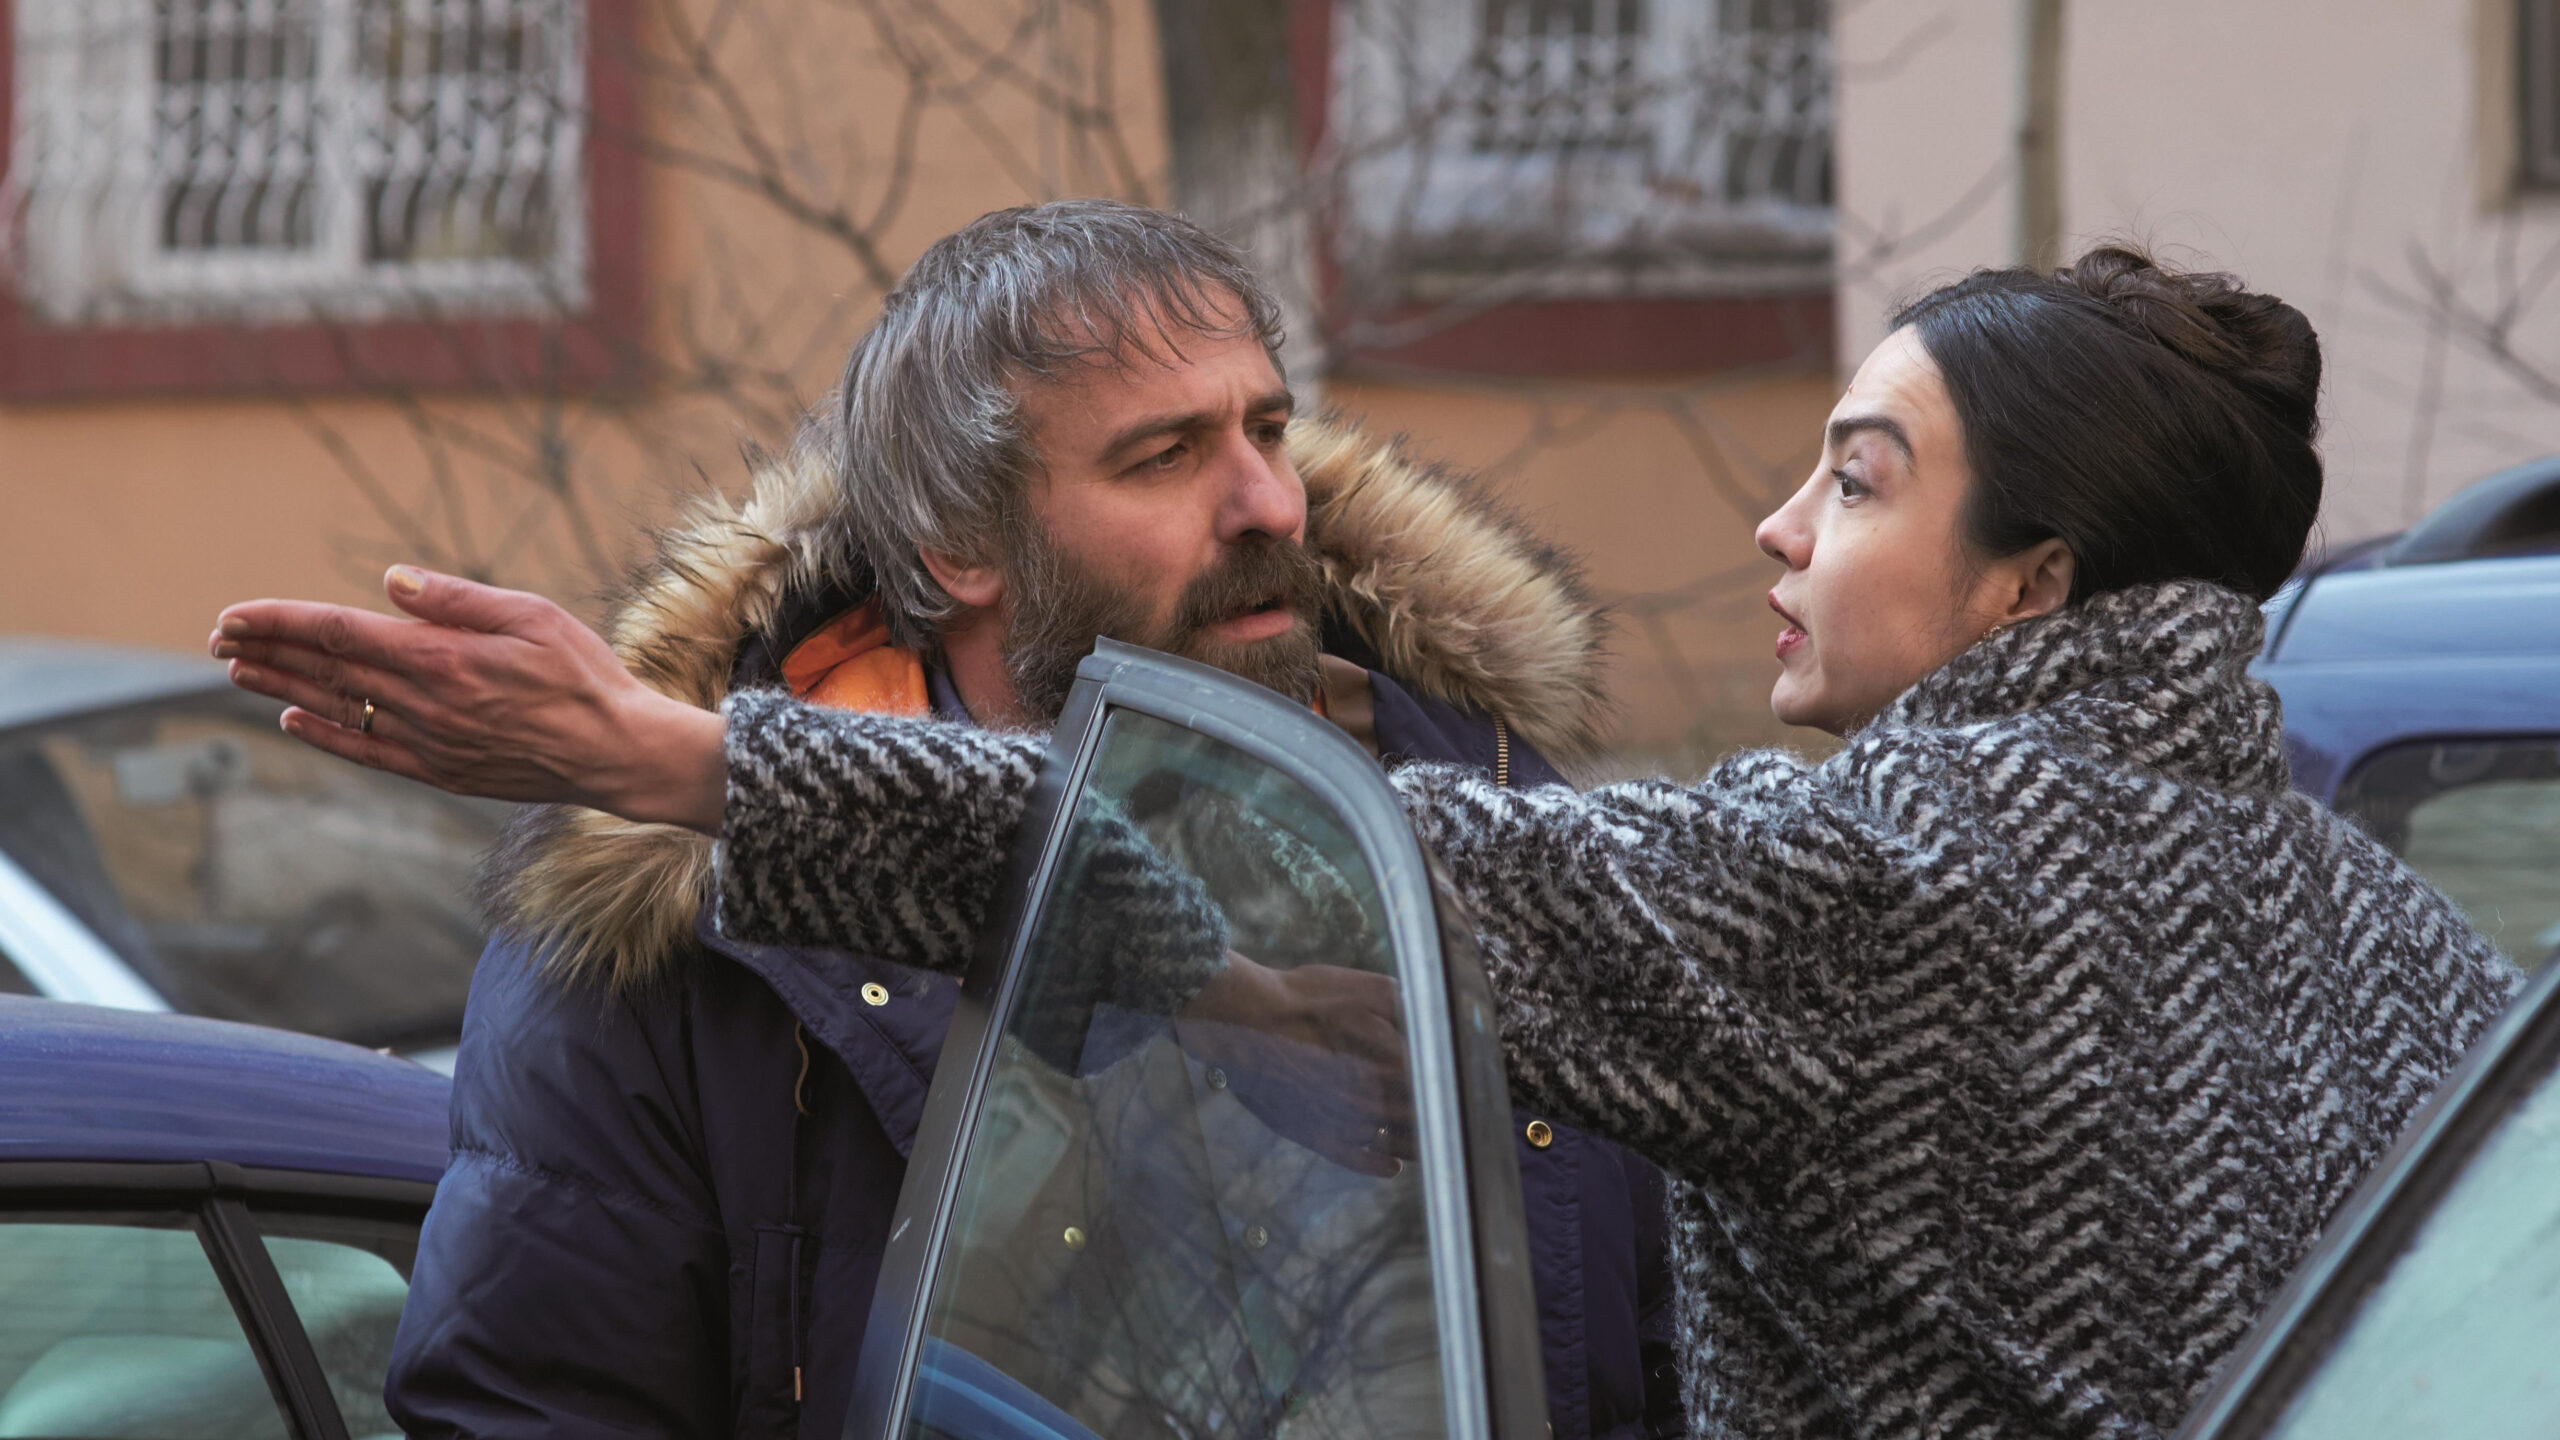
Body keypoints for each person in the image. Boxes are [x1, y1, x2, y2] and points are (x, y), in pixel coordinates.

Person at [215, 246, 2522, 1437]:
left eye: (1855, 477)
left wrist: (683, 759)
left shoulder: (1888, 883)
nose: (1773, 524)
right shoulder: (2398, 931)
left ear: (2031, 581)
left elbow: (1313, 864)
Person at [268, 200, 1677, 1440]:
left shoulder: (1494, 816)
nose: (1268, 503)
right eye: (1163, 456)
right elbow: (532, 1406)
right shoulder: (664, 933)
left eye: (1267, 429)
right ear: (958, 545)